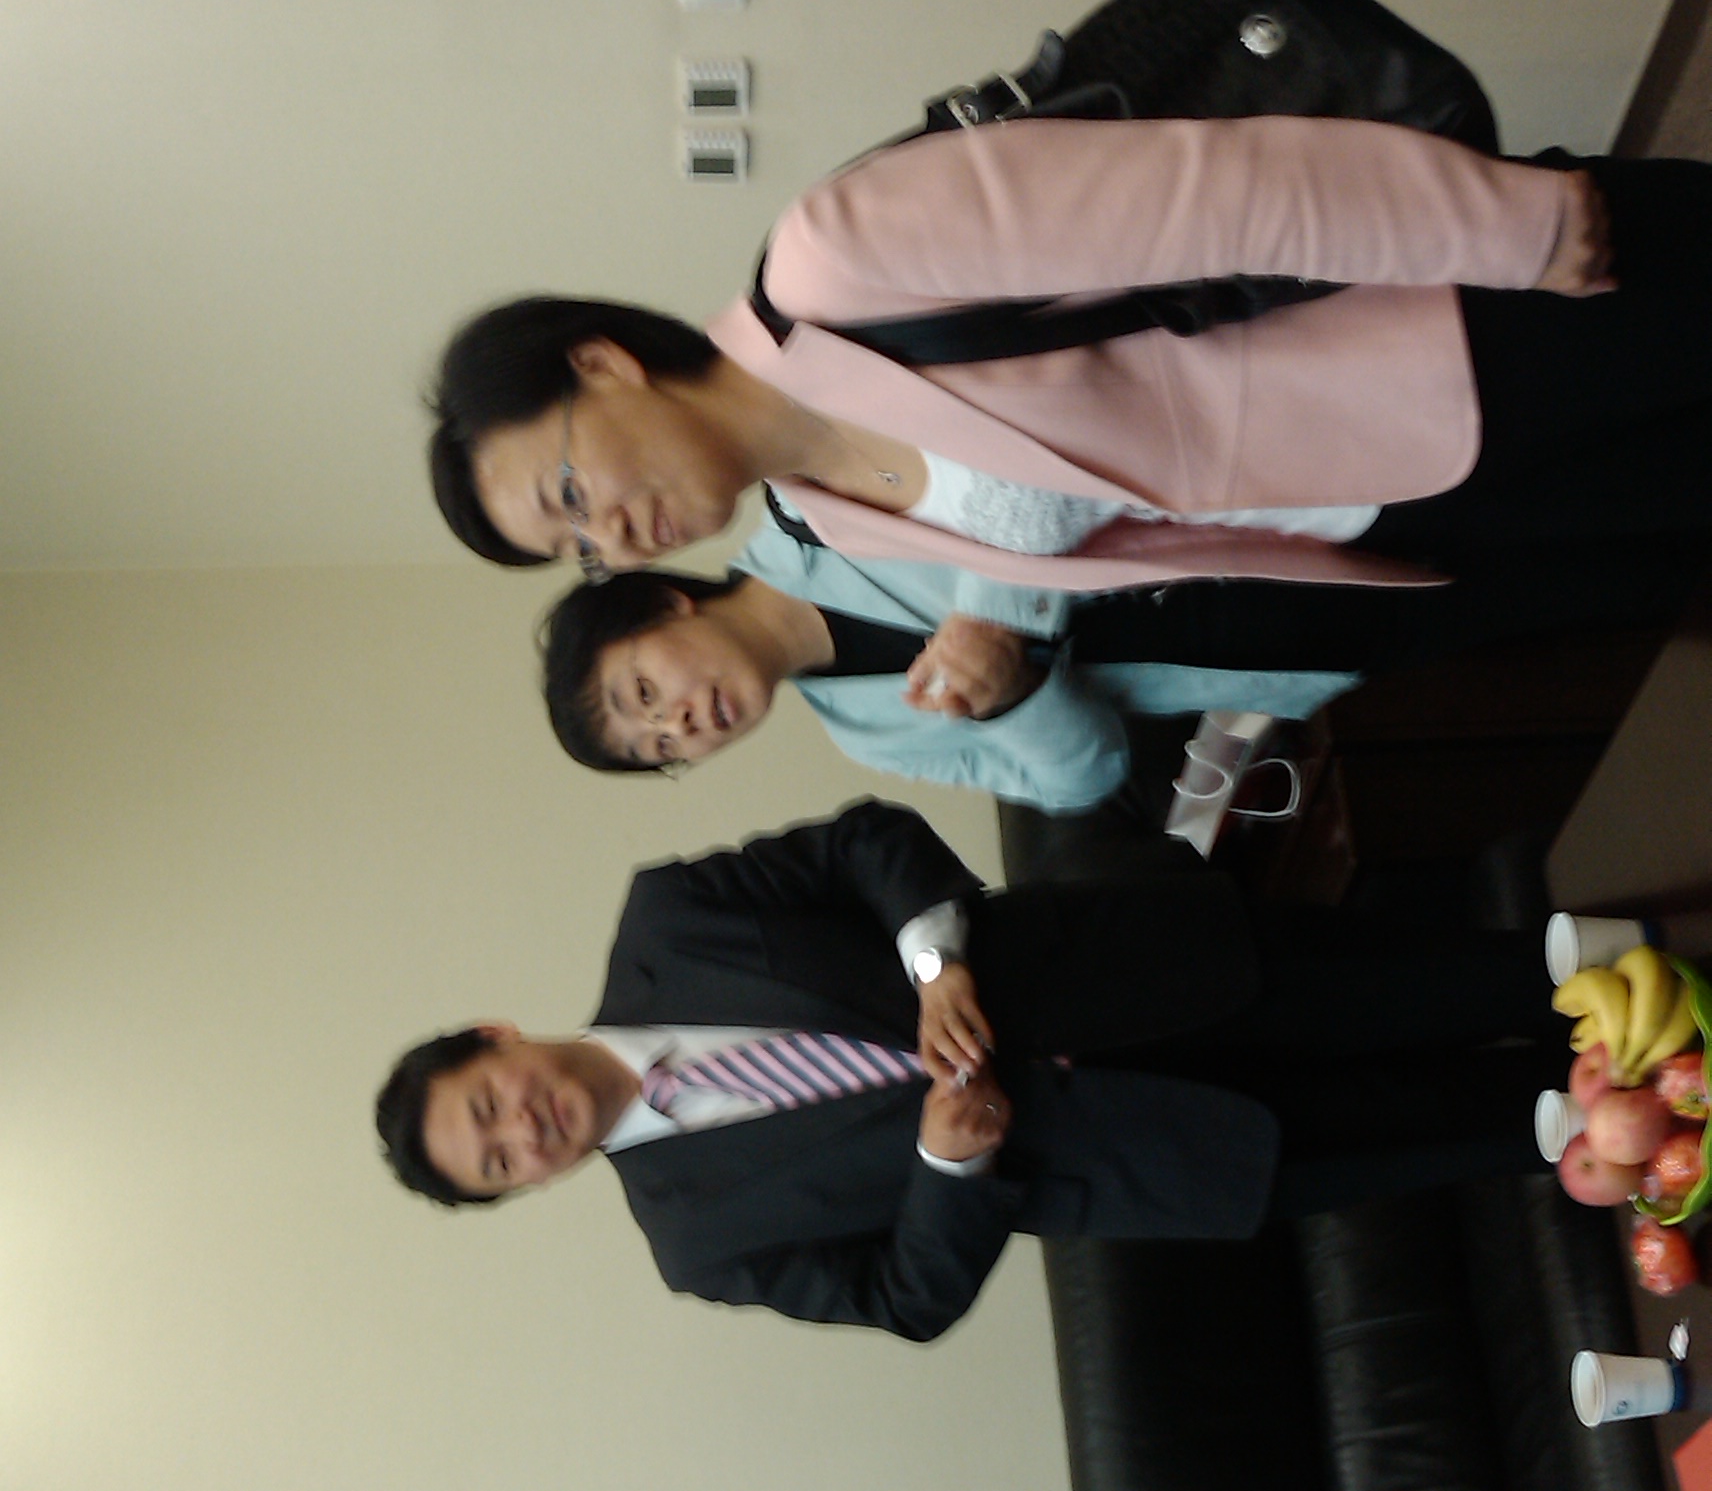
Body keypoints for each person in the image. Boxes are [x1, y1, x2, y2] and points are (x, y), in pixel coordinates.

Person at [425, 122, 1712, 671]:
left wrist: (1507, 226)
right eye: (577, 550)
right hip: (1417, 503)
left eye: (570, 491)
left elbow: (1217, 191)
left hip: (1463, 327)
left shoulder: (834, 258)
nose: (611, 537)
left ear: (601, 364)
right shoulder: (831, 518)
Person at [373, 797, 1560, 1342]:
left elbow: (863, 843)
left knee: (1490, 977)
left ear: (494, 1036)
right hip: (1166, 1158)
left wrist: (934, 962)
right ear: (525, 1187)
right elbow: (905, 1299)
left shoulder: (668, 919)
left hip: (1146, 968)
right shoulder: (700, 1247)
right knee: (1506, 1125)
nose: (523, 1131)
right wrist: (948, 1165)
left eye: (489, 1105)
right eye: (499, 1163)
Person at [540, 505, 1357, 810]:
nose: (681, 724)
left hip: (1256, 518)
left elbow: (1012, 485)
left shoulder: (811, 512)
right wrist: (1014, 699)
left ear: (663, 603)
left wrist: (999, 621)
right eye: (663, 746)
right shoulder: (871, 738)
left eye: (644, 692)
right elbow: (1087, 779)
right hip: (1286, 659)